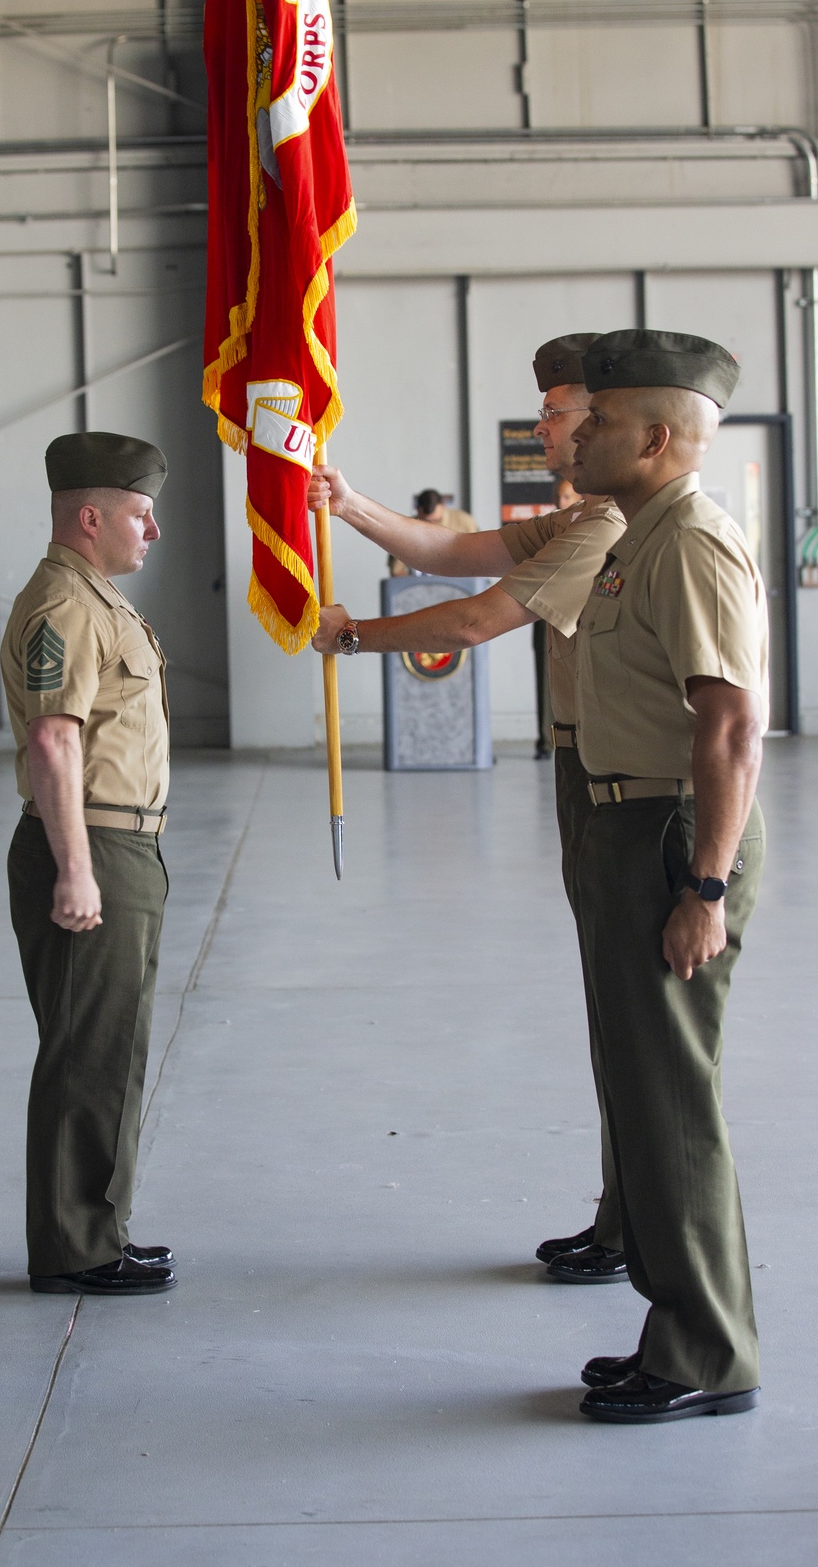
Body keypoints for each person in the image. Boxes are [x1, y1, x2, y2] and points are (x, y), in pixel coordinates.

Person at [309, 334, 629, 1281]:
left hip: (632, 788)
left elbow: (478, 616)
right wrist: (349, 500)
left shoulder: (608, 528)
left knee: (640, 1031)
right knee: (617, 1020)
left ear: (606, 421)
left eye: (556, 411)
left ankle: (635, 1225)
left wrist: (355, 636)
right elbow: (449, 549)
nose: (543, 426)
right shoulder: (579, 517)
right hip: (588, 777)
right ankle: (622, 1217)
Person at [568, 330, 768, 1423]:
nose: (579, 432)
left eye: (599, 420)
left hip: (669, 835)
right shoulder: (634, 537)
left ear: (655, 436)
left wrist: (704, 888)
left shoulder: (688, 540)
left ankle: (704, 1349)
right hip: (628, 824)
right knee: (642, 1094)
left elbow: (731, 726)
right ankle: (673, 1326)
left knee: (673, 1100)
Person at [1, 432, 177, 1297]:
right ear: (90, 516)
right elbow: (53, 740)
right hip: (92, 843)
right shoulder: (65, 604)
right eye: (142, 515)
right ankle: (75, 1248)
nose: (154, 532)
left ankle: (97, 1229)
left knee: (113, 1048)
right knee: (86, 1051)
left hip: (121, 841)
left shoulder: (96, 597)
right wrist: (76, 868)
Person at [387, 489, 477, 577]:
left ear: (443, 506)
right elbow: (397, 571)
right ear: (417, 509)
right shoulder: (406, 529)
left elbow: (477, 560)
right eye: (426, 521)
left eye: (436, 520)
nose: (432, 525)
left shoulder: (464, 522)